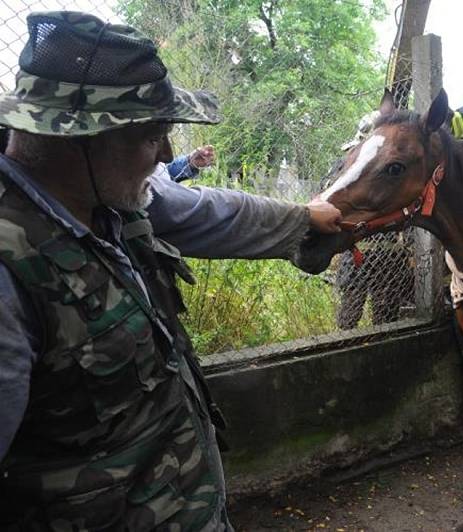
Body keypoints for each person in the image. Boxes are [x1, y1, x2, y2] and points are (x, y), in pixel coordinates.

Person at [0, 11, 341, 530]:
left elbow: (206, 211)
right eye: (154, 134)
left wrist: (304, 219)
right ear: (84, 137)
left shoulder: (106, 197)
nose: (168, 153)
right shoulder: (10, 273)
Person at [330, 112, 414, 329]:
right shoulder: (344, 165)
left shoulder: (395, 168)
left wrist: (411, 247)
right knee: (349, 315)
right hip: (357, 251)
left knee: (384, 316)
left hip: (388, 252)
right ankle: (345, 349)